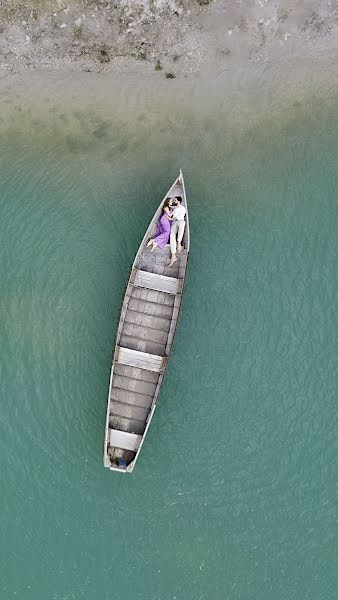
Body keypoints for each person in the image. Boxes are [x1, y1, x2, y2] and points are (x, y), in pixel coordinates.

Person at [168, 196, 186, 267]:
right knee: (172, 235)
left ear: (178, 201)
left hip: (180, 220)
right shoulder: (175, 208)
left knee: (182, 225)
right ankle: (173, 256)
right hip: (174, 222)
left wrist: (171, 219)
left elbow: (180, 216)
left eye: (175, 200)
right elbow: (171, 213)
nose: (174, 201)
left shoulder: (183, 208)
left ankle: (178, 243)